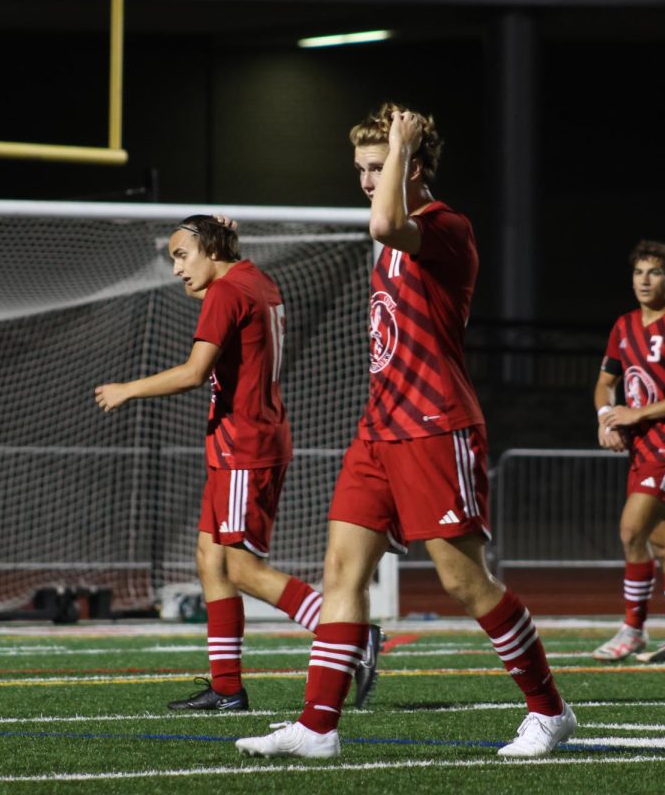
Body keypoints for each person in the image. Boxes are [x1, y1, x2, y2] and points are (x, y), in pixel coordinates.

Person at [236, 103, 576, 761]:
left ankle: (550, 711)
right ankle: (317, 725)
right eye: (361, 167)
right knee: (341, 570)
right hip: (380, 428)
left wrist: (399, 143)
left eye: (378, 165)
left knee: (463, 582)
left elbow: (387, 218)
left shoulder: (444, 226)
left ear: (413, 166)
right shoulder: (393, 233)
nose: (366, 179)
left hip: (434, 425)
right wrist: (392, 148)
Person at [95, 215, 381, 711]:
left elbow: (194, 372)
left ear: (209, 250)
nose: (176, 269)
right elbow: (221, 290)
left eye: (182, 256)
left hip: (243, 445)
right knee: (210, 560)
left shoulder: (227, 293)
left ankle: (349, 635)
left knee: (242, 569)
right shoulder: (255, 279)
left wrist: (128, 388)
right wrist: (220, 246)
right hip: (251, 439)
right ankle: (227, 688)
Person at [591, 240, 665, 663]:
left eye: (655, 272)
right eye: (639, 271)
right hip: (643, 452)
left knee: (630, 530)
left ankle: (633, 630)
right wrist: (608, 416)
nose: (645, 280)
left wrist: (633, 414)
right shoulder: (623, 326)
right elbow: (605, 384)